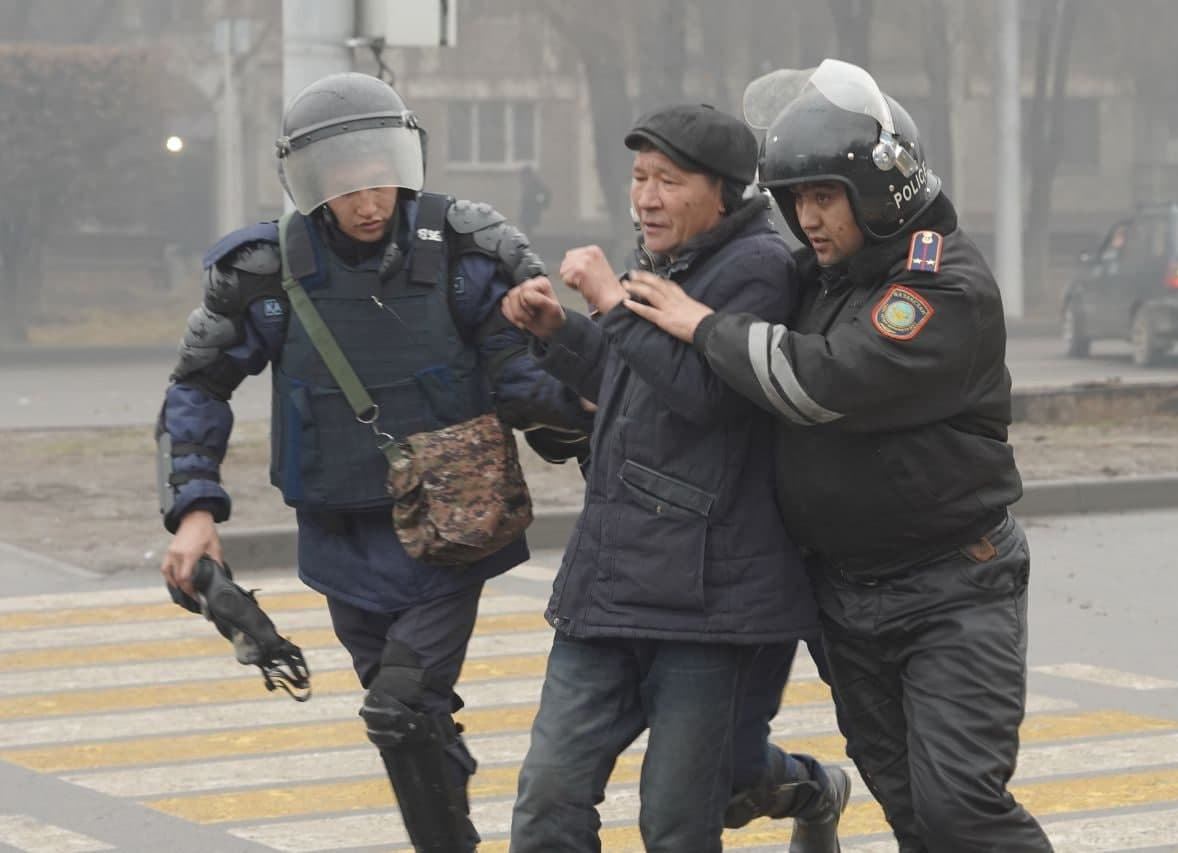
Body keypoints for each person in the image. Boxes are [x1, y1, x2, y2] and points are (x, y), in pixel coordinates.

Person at [622, 60, 1054, 852]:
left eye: (824, 196)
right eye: (794, 199)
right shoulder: (824, 275)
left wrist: (697, 321)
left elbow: (818, 381)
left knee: (962, 808)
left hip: (951, 586)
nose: (806, 218)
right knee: (913, 812)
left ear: (878, 187)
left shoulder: (939, 286)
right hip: (845, 598)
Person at [156, 72, 590, 853]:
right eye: (344, 183)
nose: (367, 201)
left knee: (399, 704)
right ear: (309, 184)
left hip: (451, 535)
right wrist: (194, 514)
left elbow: (522, 380)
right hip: (339, 538)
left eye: (379, 175)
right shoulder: (266, 273)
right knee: (407, 724)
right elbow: (198, 386)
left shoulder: (463, 253)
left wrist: (607, 418)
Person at [500, 103, 847, 852]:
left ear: (721, 191)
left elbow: (709, 397)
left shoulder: (758, 268)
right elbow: (638, 385)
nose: (646, 197)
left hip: (708, 604)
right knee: (548, 798)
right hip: (609, 584)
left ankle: (814, 790)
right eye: (638, 178)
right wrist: (562, 334)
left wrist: (607, 301)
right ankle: (805, 787)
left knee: (677, 822)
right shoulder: (672, 263)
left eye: (668, 181)